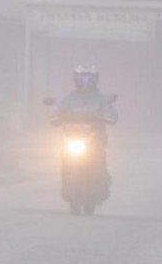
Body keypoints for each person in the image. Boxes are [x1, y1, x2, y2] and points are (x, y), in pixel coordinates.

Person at [49, 65, 119, 203]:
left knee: (98, 162)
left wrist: (107, 116)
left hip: (95, 140)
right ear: (76, 79)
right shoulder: (69, 98)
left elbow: (112, 114)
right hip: (71, 137)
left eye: (89, 78)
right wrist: (55, 116)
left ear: (95, 79)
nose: (85, 82)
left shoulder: (101, 98)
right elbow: (56, 111)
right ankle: (68, 188)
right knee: (66, 160)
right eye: (82, 78)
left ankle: (99, 188)